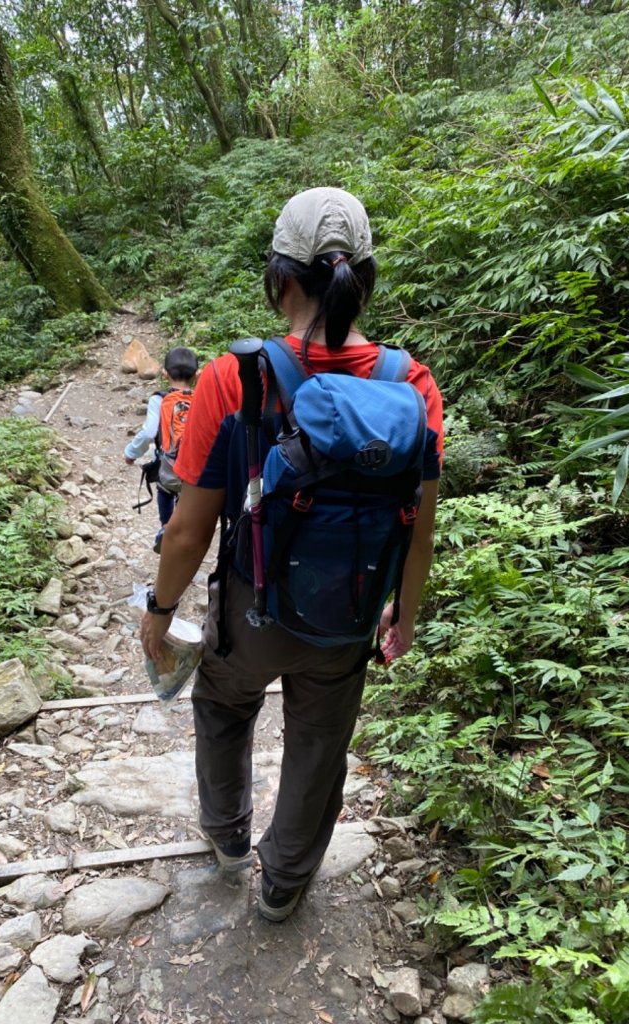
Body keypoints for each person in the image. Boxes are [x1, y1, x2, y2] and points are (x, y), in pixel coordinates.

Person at [140, 187, 443, 922]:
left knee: (222, 706)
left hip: (253, 603)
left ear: (278, 279)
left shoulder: (235, 377)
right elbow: (420, 521)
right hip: (349, 613)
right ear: (363, 279)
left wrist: (160, 611)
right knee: (319, 740)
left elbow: (189, 528)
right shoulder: (411, 383)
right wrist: (405, 612)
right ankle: (283, 883)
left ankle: (227, 837)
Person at [124, 346, 199, 553]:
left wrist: (131, 453)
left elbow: (149, 432)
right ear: (196, 374)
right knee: (187, 498)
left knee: (165, 490)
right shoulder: (201, 398)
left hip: (169, 465)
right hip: (195, 468)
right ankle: (186, 534)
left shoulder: (159, 399)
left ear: (164, 373)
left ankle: (166, 528)